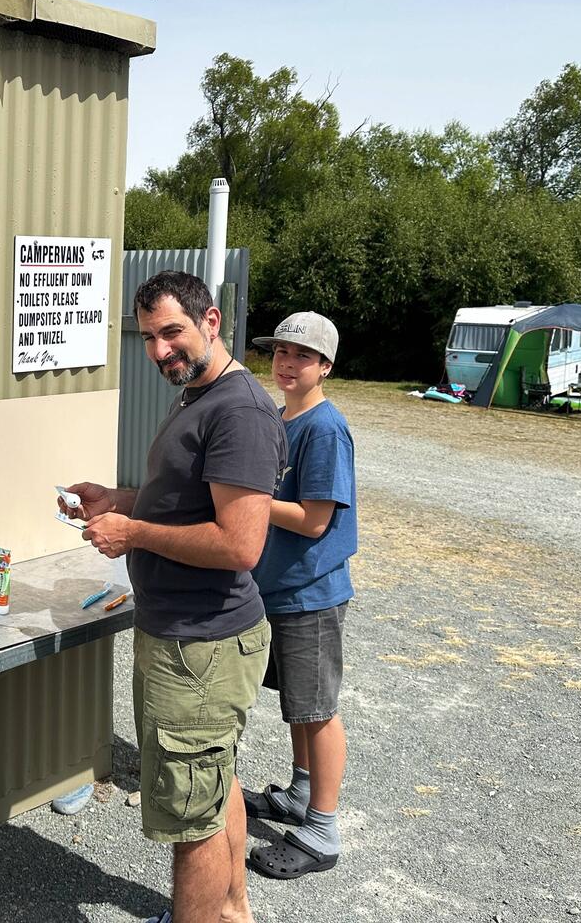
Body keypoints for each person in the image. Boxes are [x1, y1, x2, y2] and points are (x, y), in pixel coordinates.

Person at [62, 270, 286, 923]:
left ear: (211, 322)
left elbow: (240, 545)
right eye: (148, 338)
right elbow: (187, 504)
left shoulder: (238, 411)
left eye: (172, 332)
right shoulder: (198, 393)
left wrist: (132, 532)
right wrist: (120, 500)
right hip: (191, 642)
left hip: (200, 649)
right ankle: (232, 912)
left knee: (191, 821)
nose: (160, 350)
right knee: (213, 784)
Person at [242, 312, 357, 881]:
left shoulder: (325, 428)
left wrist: (248, 499)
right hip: (280, 590)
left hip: (311, 593)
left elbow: (315, 520)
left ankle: (322, 831)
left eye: (302, 356)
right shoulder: (282, 415)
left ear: (325, 366)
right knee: (298, 704)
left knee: (319, 711)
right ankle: (300, 794)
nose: (287, 364)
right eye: (281, 353)